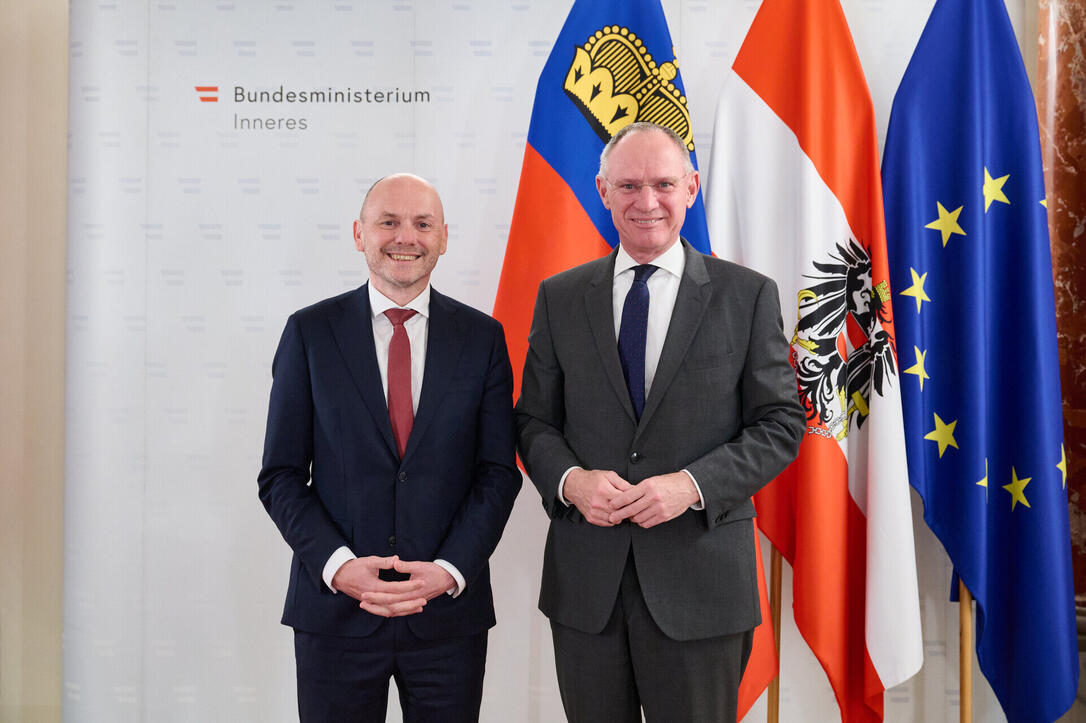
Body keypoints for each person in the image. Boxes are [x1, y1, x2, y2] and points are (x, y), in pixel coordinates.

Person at [515, 123, 804, 722]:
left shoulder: (746, 296)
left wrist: (690, 486)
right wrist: (571, 482)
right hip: (587, 588)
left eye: (664, 184)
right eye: (629, 185)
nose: (647, 202)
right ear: (602, 190)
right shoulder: (559, 297)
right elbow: (534, 422)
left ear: (692, 187)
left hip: (702, 587)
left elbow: (779, 423)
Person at [258, 173, 521, 722]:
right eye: (389, 222)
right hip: (336, 612)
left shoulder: (484, 338)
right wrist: (339, 567)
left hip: (447, 615)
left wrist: (450, 569)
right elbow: (280, 476)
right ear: (359, 234)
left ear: (444, 237)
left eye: (423, 224)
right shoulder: (309, 333)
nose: (407, 236)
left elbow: (497, 474)